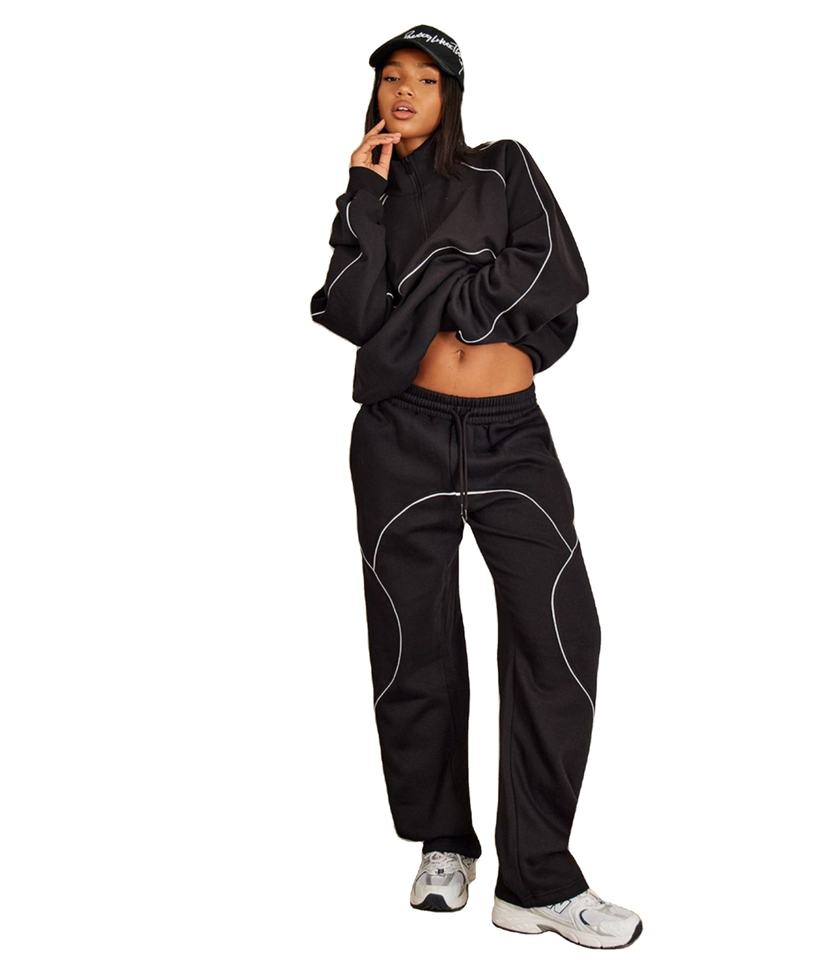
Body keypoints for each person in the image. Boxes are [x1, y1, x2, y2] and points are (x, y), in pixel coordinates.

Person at [309, 25, 643, 949]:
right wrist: (365, 196)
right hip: (399, 438)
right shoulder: (369, 198)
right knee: (413, 643)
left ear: (452, 94)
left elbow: (555, 271)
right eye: (391, 77)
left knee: (560, 637)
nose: (404, 91)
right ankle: (443, 844)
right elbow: (350, 309)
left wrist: (428, 299)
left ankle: (536, 878)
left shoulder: (503, 168)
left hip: (510, 440)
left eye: (425, 79)